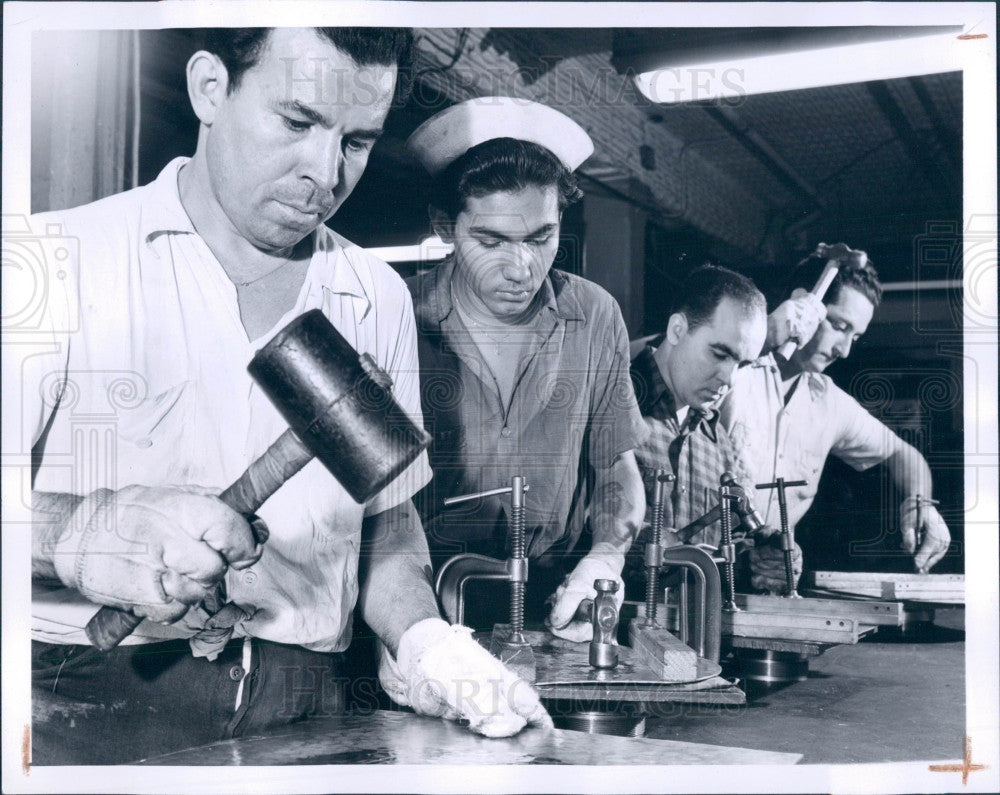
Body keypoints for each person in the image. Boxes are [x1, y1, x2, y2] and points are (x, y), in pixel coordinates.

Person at [23, 28, 549, 765]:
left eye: (358, 141)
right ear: (211, 88)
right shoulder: (55, 262)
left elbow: (387, 531)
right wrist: (80, 534)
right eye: (298, 121)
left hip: (309, 703)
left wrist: (429, 643)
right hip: (92, 696)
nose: (325, 173)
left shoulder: (376, 297)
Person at [404, 97, 648, 642]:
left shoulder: (594, 315)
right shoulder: (396, 315)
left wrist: (606, 558)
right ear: (445, 226)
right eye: (490, 242)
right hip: (419, 600)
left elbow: (615, 466)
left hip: (552, 606)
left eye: (541, 238)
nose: (522, 269)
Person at [721, 244, 953, 591]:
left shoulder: (829, 403)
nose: (844, 351)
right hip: (698, 577)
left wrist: (920, 504)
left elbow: (903, 454)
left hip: (770, 586)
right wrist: (762, 334)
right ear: (803, 304)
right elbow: (654, 359)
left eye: (855, 337)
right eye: (839, 326)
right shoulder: (730, 371)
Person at [629, 265, 786, 586]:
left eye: (742, 364)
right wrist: (641, 543)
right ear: (676, 330)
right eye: (720, 354)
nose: (729, 379)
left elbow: (734, 545)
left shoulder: (719, 442)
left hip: (696, 628)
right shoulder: (608, 403)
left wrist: (762, 562)